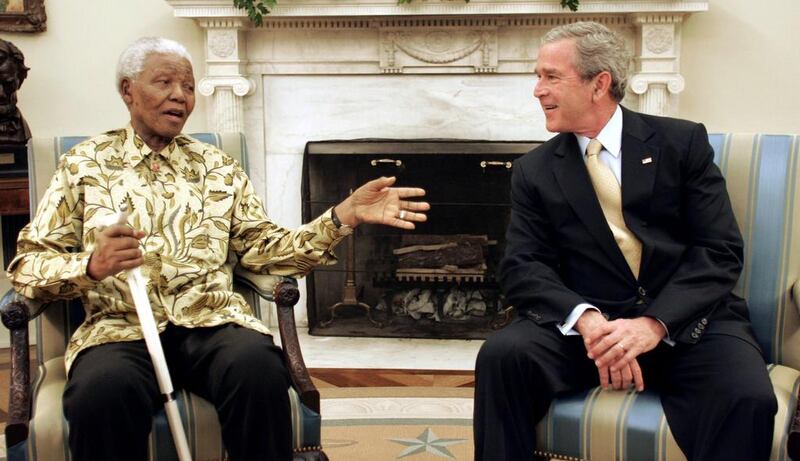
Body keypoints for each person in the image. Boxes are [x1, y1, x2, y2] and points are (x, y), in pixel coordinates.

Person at [6, 36, 429, 461]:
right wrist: (92, 266)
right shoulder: (84, 164)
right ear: (127, 90)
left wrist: (342, 217)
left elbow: (267, 248)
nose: (180, 96)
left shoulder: (217, 167)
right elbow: (27, 266)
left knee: (259, 369)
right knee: (100, 394)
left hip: (211, 323)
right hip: (119, 330)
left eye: (188, 86)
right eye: (165, 82)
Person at [473, 21, 777, 461]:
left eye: (550, 76)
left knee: (748, 399)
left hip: (688, 325)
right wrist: (589, 321)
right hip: (587, 335)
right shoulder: (533, 171)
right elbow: (522, 266)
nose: (537, 90)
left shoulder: (681, 142)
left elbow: (718, 250)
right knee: (503, 356)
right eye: (537, 76)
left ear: (599, 84)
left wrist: (652, 324)